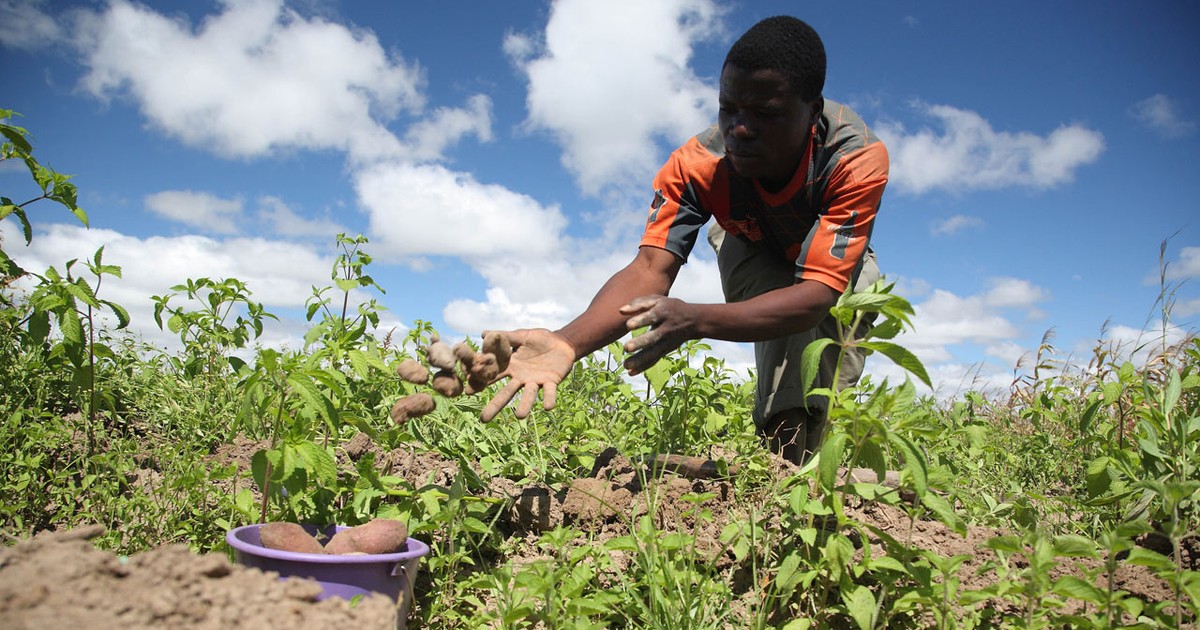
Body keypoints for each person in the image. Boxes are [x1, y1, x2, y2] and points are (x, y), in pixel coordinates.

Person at [480, 16, 888, 464]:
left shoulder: (854, 158)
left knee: (827, 375)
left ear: (812, 112)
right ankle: (783, 480)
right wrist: (568, 341)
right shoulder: (698, 166)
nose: (741, 130)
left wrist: (694, 319)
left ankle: (806, 474)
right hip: (749, 243)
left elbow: (813, 296)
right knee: (789, 363)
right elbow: (649, 269)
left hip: (830, 264)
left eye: (766, 114)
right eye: (728, 109)